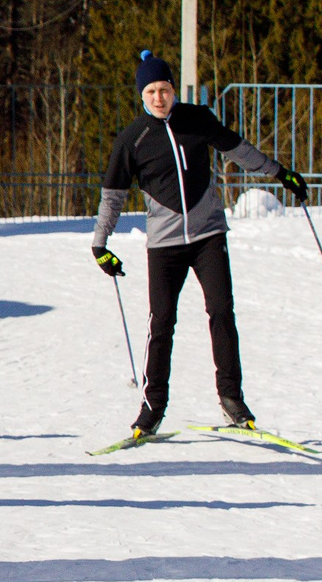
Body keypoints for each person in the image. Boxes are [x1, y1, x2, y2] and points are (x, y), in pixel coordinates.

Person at [91, 49, 308, 435]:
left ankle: (232, 399)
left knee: (222, 312)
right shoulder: (132, 140)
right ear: (141, 95)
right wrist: (100, 244)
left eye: (165, 89)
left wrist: (280, 173)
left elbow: (238, 150)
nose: (159, 98)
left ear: (174, 89)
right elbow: (113, 196)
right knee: (162, 324)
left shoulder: (197, 119)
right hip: (164, 245)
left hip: (209, 235)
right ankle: (152, 407)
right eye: (152, 91)